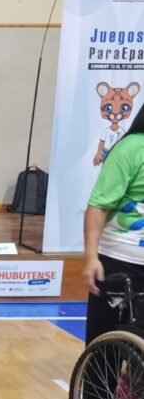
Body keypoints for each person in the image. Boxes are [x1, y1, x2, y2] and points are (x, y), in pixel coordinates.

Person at [82, 101, 144, 344]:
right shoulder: (131, 148)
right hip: (121, 261)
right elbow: (98, 205)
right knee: (106, 350)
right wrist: (91, 257)